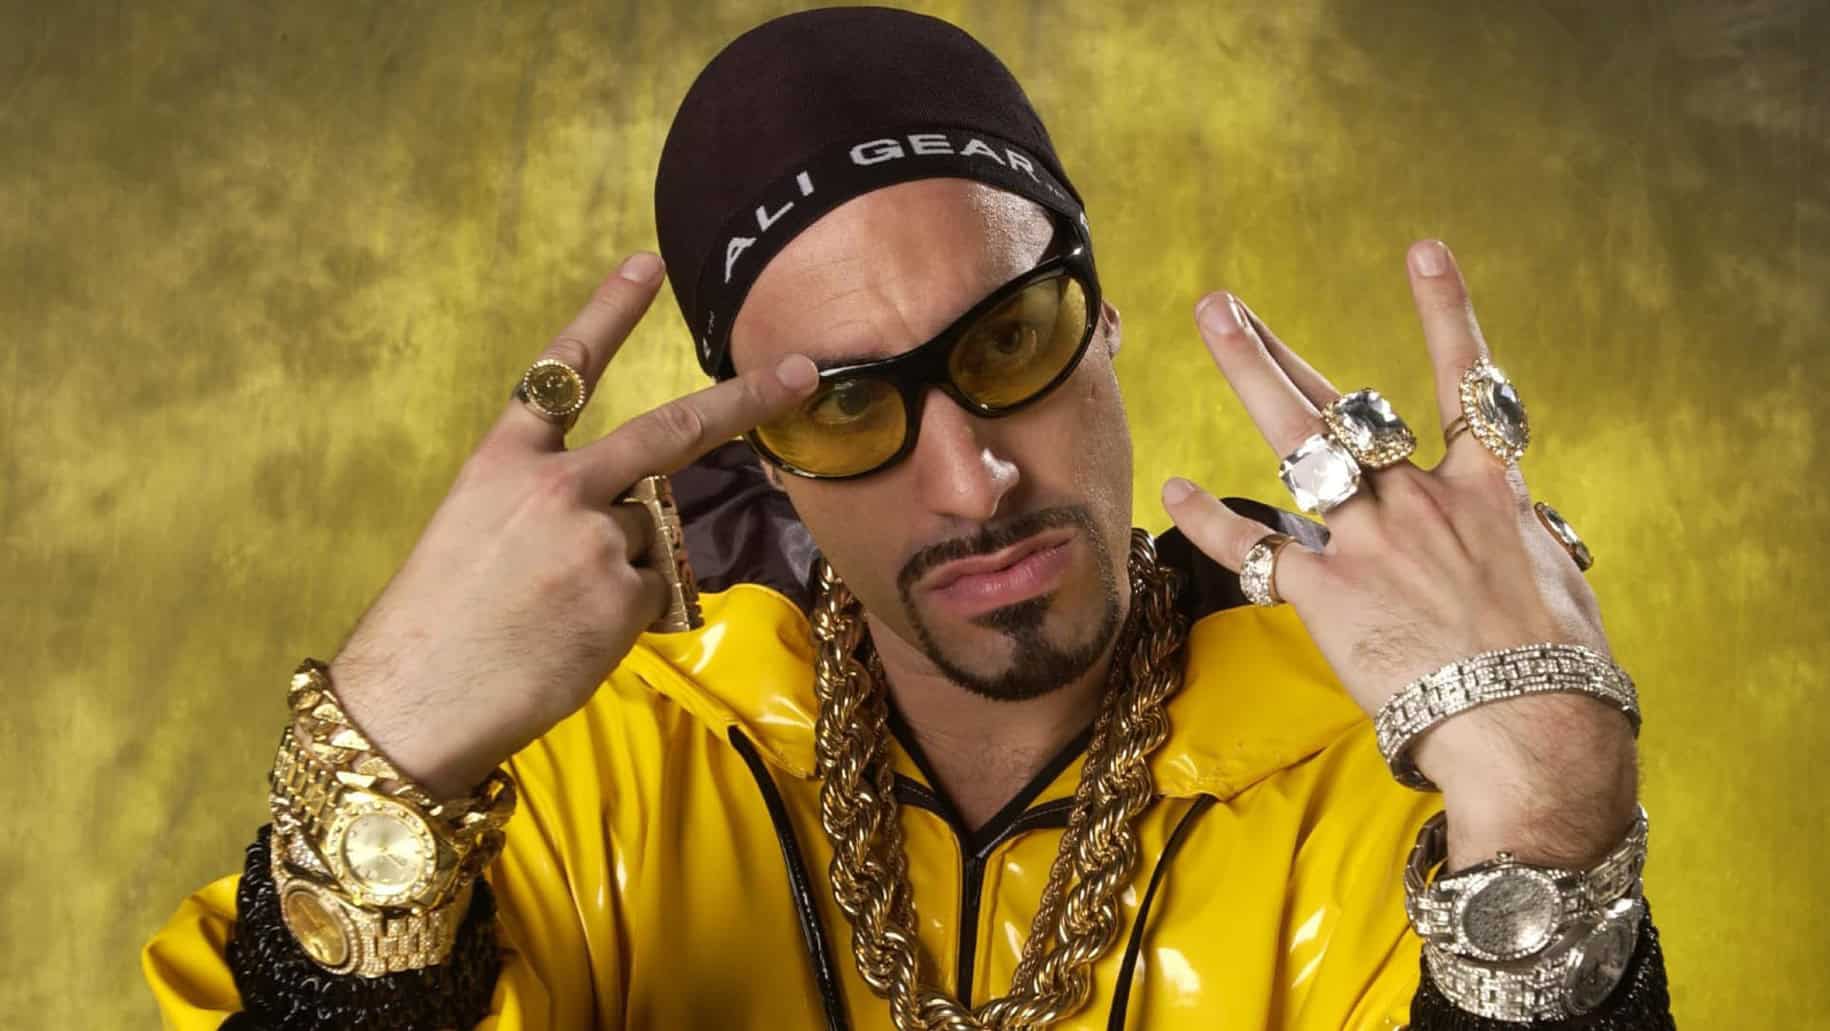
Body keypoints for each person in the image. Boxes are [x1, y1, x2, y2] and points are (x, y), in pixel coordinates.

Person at [143, 8, 1674, 1029]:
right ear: (762, 454)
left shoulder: (1383, 767)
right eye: (844, 404)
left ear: (1103, 324)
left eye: (1008, 339)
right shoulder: (595, 778)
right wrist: (382, 754)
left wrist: (1547, 816)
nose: (970, 478)